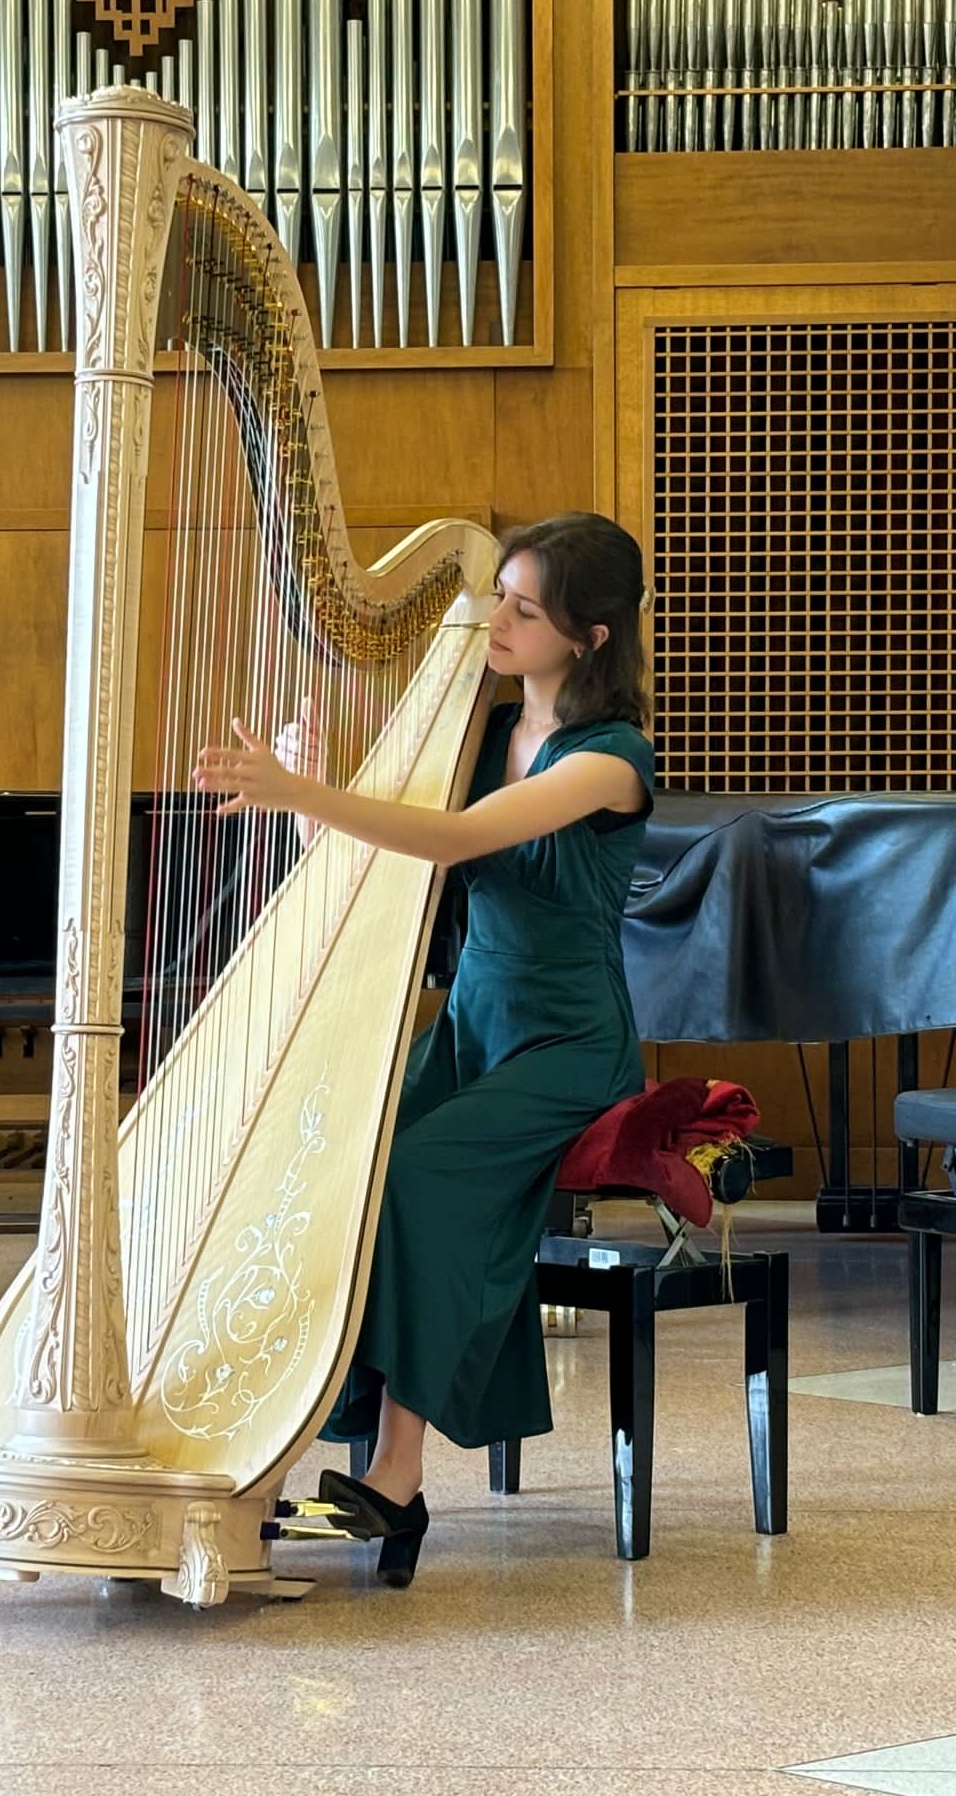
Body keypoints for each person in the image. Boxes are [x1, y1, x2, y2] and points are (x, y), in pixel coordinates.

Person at [191, 511, 655, 1588]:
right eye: (500, 594)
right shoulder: (477, 733)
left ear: (587, 636)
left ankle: (393, 1482)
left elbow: (453, 839)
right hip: (472, 1027)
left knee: (410, 1175)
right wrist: (310, 799)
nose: (496, 618)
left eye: (524, 608)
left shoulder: (611, 759)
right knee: (335, 1166)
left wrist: (307, 790)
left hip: (566, 1043)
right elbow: (388, 873)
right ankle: (288, 1445)